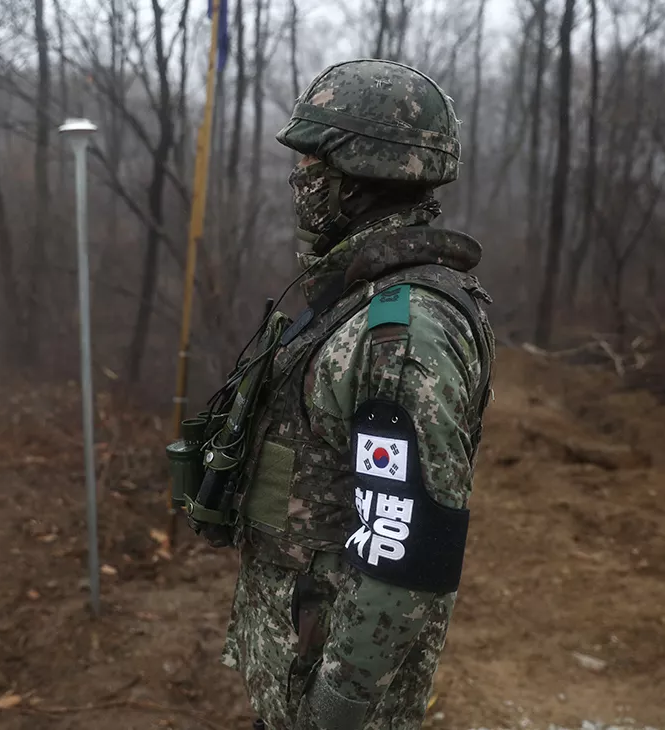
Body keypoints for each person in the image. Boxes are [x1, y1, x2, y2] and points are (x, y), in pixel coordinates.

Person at [216, 58, 496, 730]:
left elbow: (404, 550)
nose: (300, 177)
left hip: (335, 701)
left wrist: (334, 710)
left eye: (313, 161)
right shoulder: (358, 300)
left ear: (360, 174)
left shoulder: (400, 334)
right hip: (300, 669)